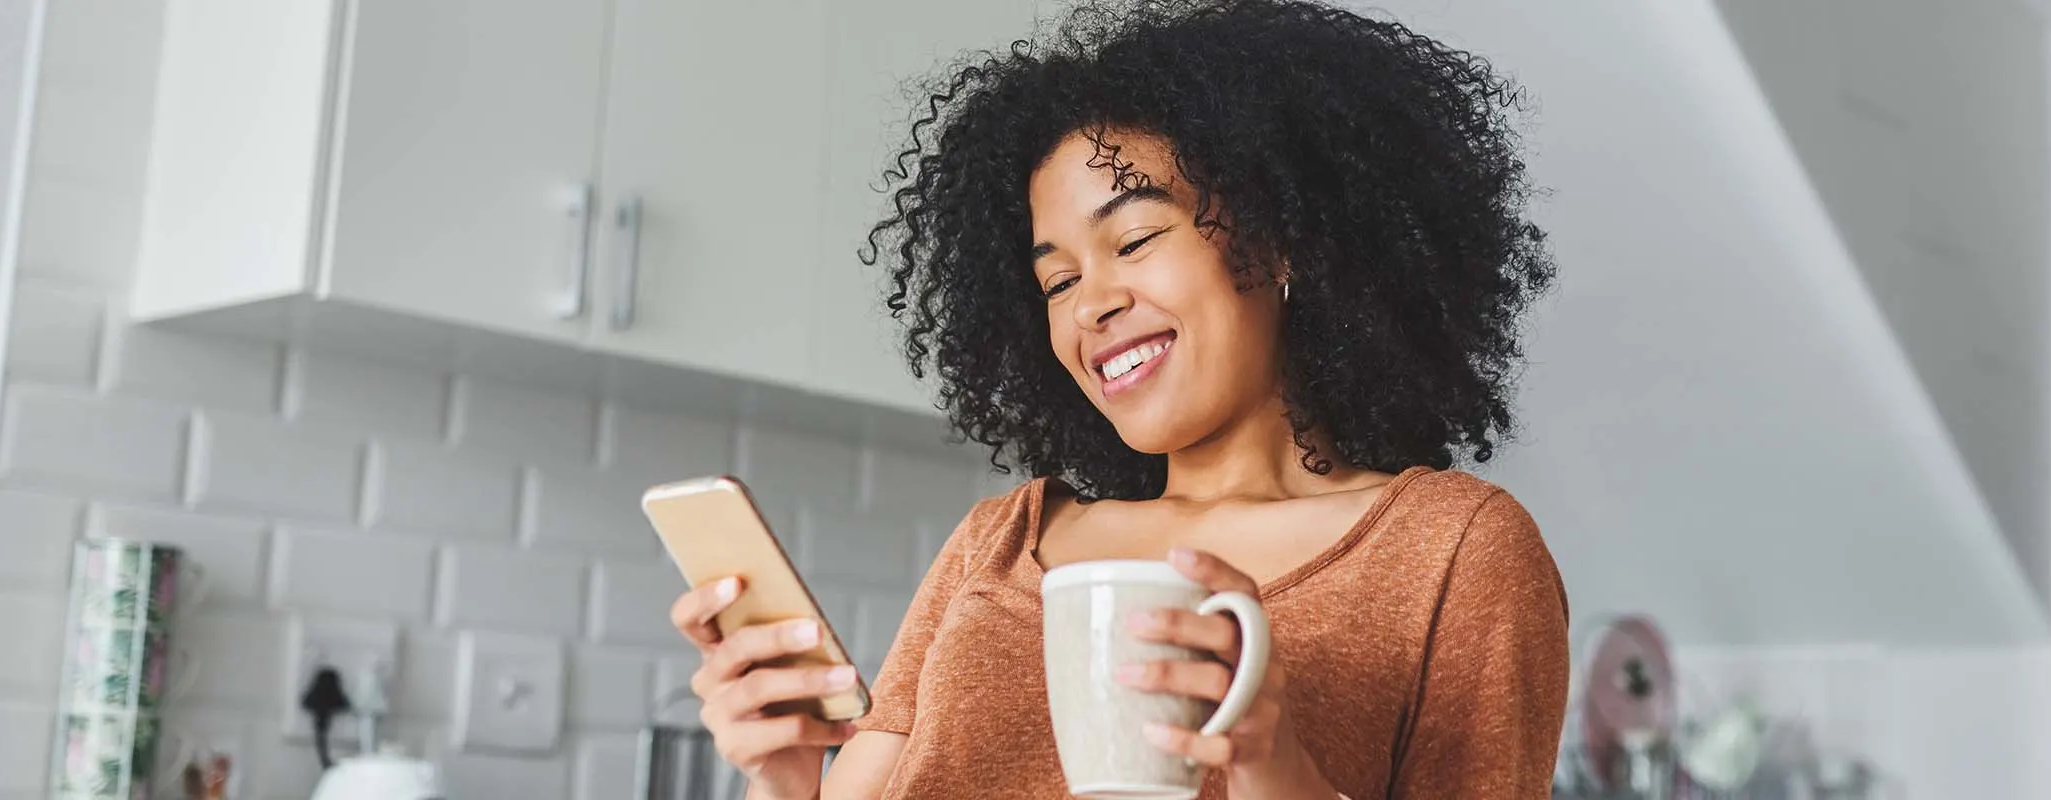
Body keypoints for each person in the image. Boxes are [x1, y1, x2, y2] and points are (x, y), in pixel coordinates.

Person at [668, 1, 1567, 797]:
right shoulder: (1002, 540)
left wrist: (1269, 766)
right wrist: (782, 780)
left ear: (1284, 240)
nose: (1091, 305)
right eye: (1056, 282)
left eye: (1134, 239)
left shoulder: (1454, 550)